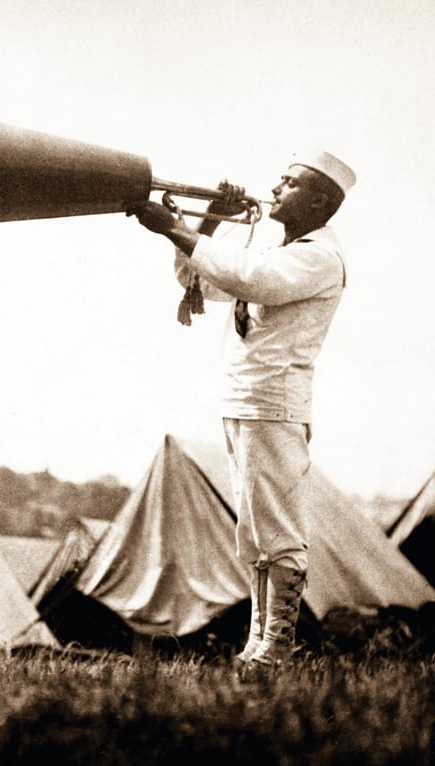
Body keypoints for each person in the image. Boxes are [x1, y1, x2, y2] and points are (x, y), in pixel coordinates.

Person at [125, 151, 355, 675]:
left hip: (273, 404)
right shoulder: (282, 249)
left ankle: (277, 648)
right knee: (252, 534)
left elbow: (250, 278)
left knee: (276, 529)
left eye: (290, 184)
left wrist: (179, 227)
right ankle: (259, 646)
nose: (275, 188)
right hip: (245, 401)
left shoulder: (319, 256)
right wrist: (201, 222)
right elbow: (200, 279)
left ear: (320, 201)